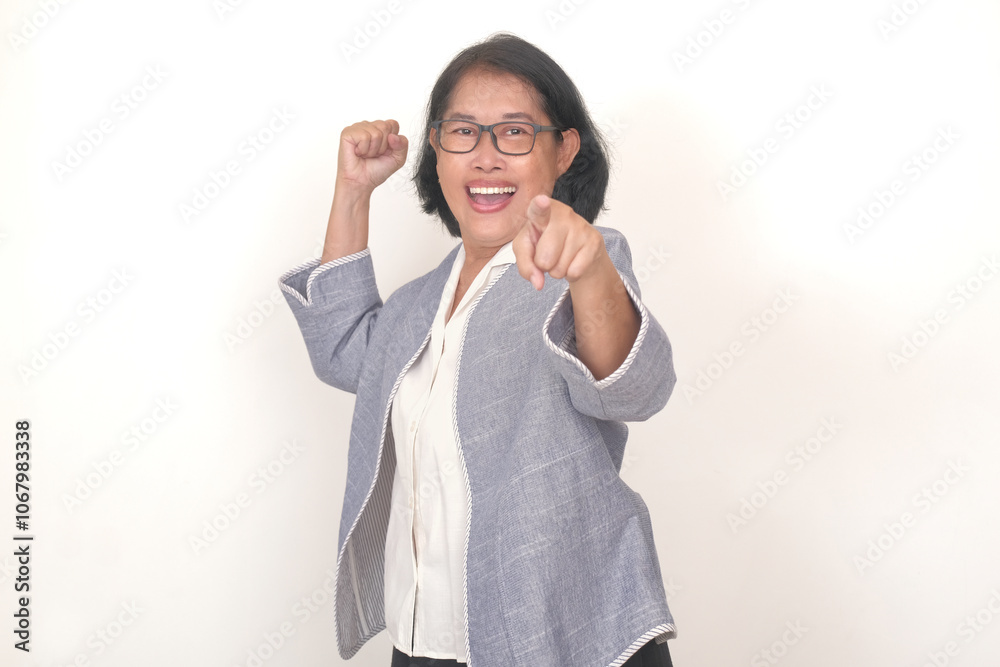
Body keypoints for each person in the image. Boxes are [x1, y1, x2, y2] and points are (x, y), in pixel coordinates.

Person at [278, 32, 678, 667]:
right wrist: (353, 192)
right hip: (426, 643)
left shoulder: (580, 267)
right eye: (463, 132)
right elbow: (343, 349)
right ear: (437, 152)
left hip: (567, 640)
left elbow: (634, 389)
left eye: (515, 132)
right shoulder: (418, 304)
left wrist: (592, 272)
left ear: (563, 151)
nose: (486, 158)